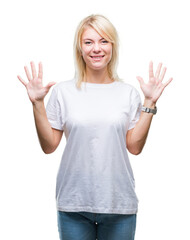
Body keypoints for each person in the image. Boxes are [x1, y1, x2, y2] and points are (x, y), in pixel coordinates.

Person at [17, 14, 173, 240]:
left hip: (119, 204)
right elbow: (49, 145)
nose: (96, 48)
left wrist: (149, 103)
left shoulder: (128, 92)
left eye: (104, 41)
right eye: (88, 42)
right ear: (80, 49)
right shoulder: (63, 92)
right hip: (74, 204)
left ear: (112, 46)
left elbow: (134, 147)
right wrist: (37, 104)